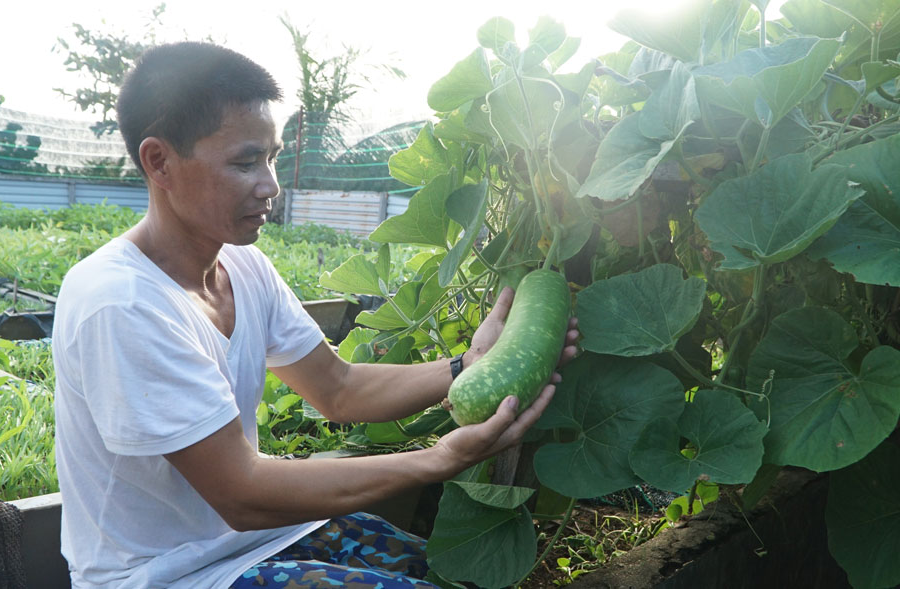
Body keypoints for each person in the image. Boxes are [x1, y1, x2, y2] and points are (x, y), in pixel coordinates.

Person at [52, 41, 578, 589]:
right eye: (245, 162)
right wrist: (438, 458)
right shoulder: (121, 302)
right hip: (162, 577)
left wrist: (465, 365)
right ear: (159, 161)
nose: (271, 185)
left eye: (273, 156)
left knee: (447, 574)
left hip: (264, 541)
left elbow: (339, 388)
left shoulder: (242, 264)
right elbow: (243, 495)